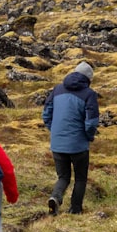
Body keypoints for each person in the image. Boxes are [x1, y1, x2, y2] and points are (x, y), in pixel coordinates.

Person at [42, 61, 100, 215]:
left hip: (57, 143)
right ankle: (75, 209)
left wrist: (54, 130)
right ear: (88, 79)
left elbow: (46, 113)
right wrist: (89, 137)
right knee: (80, 178)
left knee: (63, 177)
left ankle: (55, 197)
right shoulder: (89, 94)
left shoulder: (57, 89)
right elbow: (91, 122)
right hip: (78, 145)